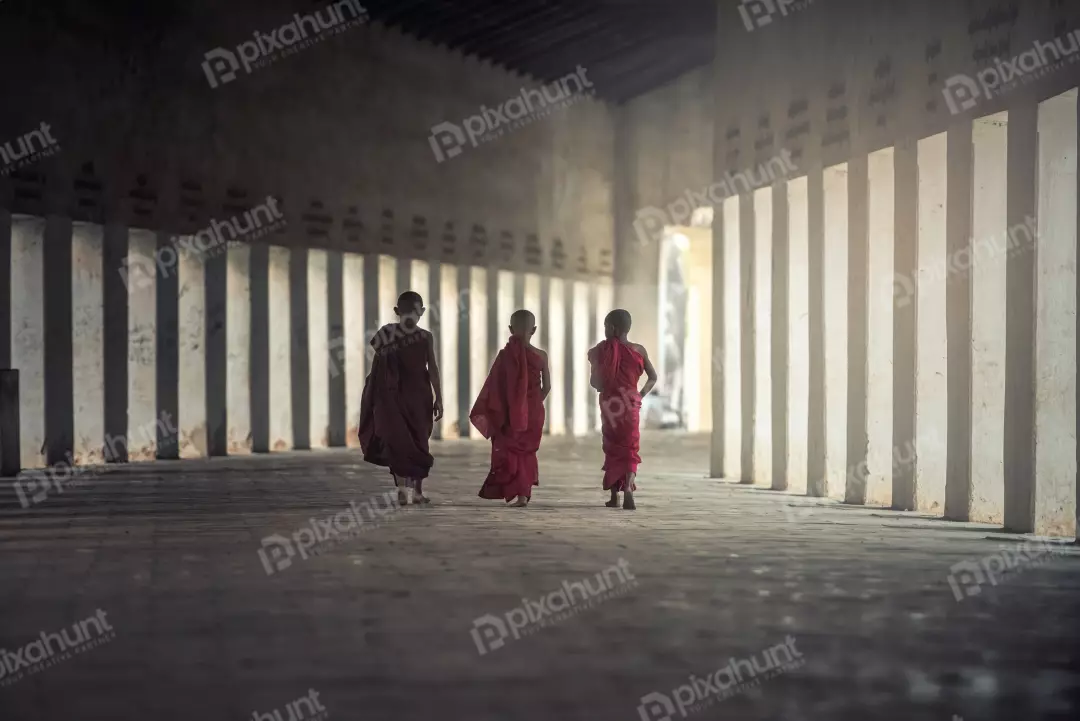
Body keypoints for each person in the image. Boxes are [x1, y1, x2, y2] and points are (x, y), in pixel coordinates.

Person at [358, 290, 444, 505]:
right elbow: (432, 369)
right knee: (414, 443)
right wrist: (439, 397)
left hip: (397, 397)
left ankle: (406, 490)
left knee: (405, 442)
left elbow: (379, 366)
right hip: (412, 396)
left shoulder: (388, 334)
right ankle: (414, 492)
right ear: (421, 312)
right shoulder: (424, 336)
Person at [470, 310, 550, 508]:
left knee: (510, 450)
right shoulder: (541, 355)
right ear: (534, 329)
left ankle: (515, 491)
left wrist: (509, 407)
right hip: (534, 412)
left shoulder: (505, 355)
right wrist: (533, 404)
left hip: (509, 412)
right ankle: (523, 495)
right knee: (527, 452)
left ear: (510, 329)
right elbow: (546, 387)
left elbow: (495, 386)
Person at [588, 309, 657, 510]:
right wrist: (639, 395)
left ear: (611, 328)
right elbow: (653, 377)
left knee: (612, 447)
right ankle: (627, 488)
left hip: (610, 406)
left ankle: (613, 497)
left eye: (605, 327)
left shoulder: (603, 350)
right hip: (630, 406)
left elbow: (596, 381)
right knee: (630, 449)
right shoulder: (639, 350)